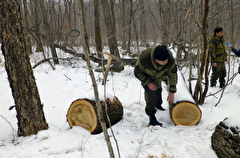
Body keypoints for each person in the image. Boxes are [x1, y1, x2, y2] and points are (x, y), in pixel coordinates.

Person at [134, 45, 177, 127]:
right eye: (164, 61)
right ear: (156, 60)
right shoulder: (144, 59)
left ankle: (158, 104)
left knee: (158, 89)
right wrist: (147, 82)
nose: (166, 62)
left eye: (167, 59)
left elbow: (173, 75)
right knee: (151, 94)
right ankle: (151, 117)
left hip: (159, 75)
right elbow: (137, 73)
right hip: (147, 77)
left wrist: (172, 92)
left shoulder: (169, 59)